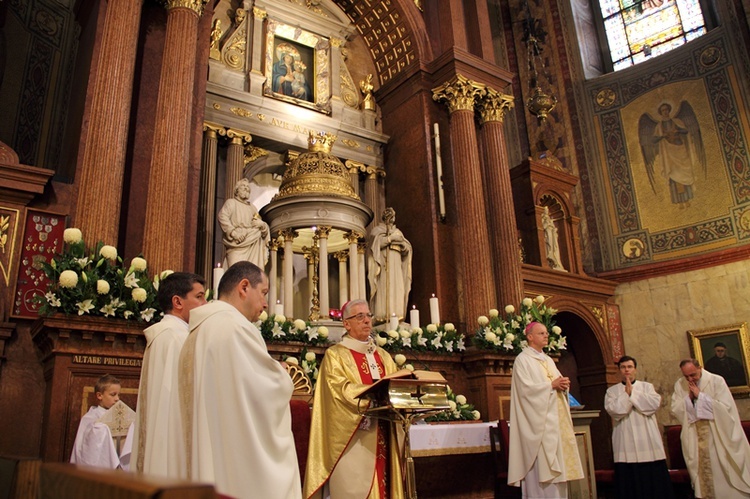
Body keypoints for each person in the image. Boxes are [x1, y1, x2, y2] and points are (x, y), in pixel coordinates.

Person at [178, 261, 300, 499]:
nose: (265, 304)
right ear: (244, 287)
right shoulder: (236, 328)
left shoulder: (198, 330)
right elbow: (268, 392)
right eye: (263, 293)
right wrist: (282, 374)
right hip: (236, 464)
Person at [303, 299, 404, 499]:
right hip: (353, 441)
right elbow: (336, 391)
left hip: (383, 433)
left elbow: (396, 387)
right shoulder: (336, 356)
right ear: (346, 324)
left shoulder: (383, 356)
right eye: (359, 317)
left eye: (368, 316)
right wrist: (370, 394)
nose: (367, 321)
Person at [131, 272, 206, 476]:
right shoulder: (176, 338)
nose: (205, 303)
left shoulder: (167, 334)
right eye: (199, 297)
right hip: (175, 445)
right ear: (178, 302)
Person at [508, 321, 584, 498]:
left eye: (546, 333)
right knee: (542, 473)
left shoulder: (548, 360)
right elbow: (525, 392)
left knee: (559, 474)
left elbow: (556, 383)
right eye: (541, 333)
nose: (546, 335)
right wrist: (551, 385)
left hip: (555, 423)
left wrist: (563, 385)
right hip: (538, 425)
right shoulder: (523, 360)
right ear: (530, 337)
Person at [670, 359, 750, 498]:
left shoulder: (716, 381)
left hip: (717, 434)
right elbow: (675, 409)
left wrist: (700, 396)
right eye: (686, 376)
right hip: (694, 434)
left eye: (693, 375)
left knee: (721, 471)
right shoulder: (680, 385)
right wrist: (688, 399)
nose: (690, 379)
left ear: (699, 368)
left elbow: (726, 408)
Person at [604, 356, 673, 498]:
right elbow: (615, 411)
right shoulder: (612, 391)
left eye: (629, 367)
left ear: (635, 369)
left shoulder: (647, 387)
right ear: (619, 371)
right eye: (623, 367)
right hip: (625, 440)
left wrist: (632, 394)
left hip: (647, 440)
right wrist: (627, 396)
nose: (626, 370)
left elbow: (652, 406)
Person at [367, 207, 412, 321]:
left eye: (393, 217)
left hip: (396, 265)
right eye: (390, 217)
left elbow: (407, 247)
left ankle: (398, 314)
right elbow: (375, 246)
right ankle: (383, 315)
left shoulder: (398, 232)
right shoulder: (377, 231)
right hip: (384, 265)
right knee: (385, 288)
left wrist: (402, 244)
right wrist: (390, 238)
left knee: (398, 288)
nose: (392, 219)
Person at [70, 374, 123, 468]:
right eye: (113, 394)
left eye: (119, 395)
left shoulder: (122, 415)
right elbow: (86, 449)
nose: (117, 399)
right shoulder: (90, 417)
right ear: (99, 395)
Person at [218, 178, 270, 270]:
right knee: (236, 273)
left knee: (253, 274)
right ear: (236, 190)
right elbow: (223, 217)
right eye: (243, 186)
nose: (246, 188)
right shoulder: (231, 203)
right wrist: (233, 233)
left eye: (248, 187)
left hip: (252, 243)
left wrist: (262, 225)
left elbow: (262, 229)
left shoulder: (252, 208)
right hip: (237, 243)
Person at [541, 206, 564, 271]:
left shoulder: (549, 218)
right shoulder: (542, 218)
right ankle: (549, 256)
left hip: (552, 233)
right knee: (549, 244)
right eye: (545, 210)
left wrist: (554, 229)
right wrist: (547, 224)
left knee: (555, 246)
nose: (547, 211)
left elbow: (553, 227)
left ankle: (555, 259)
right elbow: (543, 227)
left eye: (547, 210)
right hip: (547, 233)